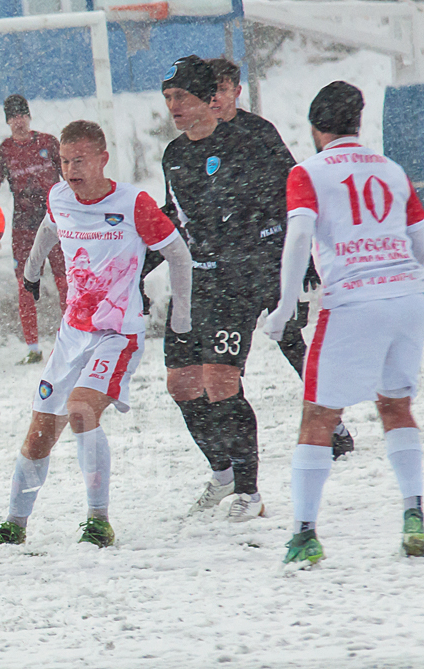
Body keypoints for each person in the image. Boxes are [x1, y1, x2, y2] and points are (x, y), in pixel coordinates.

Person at [0, 120, 193, 547]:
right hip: (72, 335)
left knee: (81, 410)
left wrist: (181, 317)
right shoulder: (59, 196)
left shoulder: (134, 203)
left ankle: (98, 521)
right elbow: (49, 227)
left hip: (117, 335)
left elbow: (178, 254)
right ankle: (14, 526)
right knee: (40, 433)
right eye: (63, 161)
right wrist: (32, 270)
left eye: (79, 160)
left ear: (102, 159)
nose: (71, 170)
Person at [266, 82, 424, 566]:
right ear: (359, 123)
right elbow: (419, 236)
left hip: (353, 300)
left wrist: (284, 304)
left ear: (316, 127)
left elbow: (298, 238)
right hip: (406, 295)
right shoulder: (393, 171)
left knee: (318, 414)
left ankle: (304, 533)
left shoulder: (308, 172)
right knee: (396, 405)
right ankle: (414, 515)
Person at [159, 55, 289, 521]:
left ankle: (250, 494)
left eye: (182, 96)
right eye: (169, 97)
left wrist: (280, 269)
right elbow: (174, 218)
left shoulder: (245, 143)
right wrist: (140, 262)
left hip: (236, 281)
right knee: (181, 384)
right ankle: (222, 473)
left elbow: (280, 203)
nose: (174, 105)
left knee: (220, 380)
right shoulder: (173, 155)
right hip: (191, 282)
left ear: (208, 100)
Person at [207, 58, 354, 460]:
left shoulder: (259, 132)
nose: (215, 98)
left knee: (291, 343)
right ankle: (235, 449)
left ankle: (334, 424)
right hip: (226, 267)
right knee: (224, 360)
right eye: (209, 92)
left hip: (269, 256)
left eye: (221, 89)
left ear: (236, 91)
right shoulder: (199, 140)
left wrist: (303, 256)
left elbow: (293, 188)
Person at [0, 94, 68, 365]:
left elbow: (68, 178)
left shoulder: (48, 143)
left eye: (21, 115)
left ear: (29, 116)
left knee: (66, 280)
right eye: (12, 117)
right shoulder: (2, 152)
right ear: (7, 121)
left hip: (56, 222)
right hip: (24, 227)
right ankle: (33, 348)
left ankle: (73, 337)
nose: (17, 121)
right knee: (25, 285)